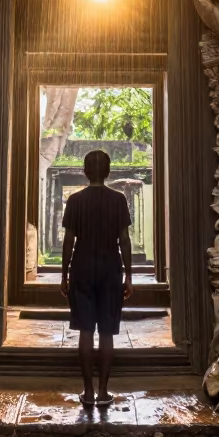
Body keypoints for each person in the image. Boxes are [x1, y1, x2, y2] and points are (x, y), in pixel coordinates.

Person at [60, 149, 133, 407]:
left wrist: (64, 275)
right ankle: (103, 392)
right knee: (107, 334)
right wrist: (129, 276)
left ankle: (87, 392)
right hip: (111, 270)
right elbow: (124, 240)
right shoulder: (119, 200)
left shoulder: (75, 201)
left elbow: (69, 241)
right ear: (109, 172)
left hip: (81, 269)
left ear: (85, 171)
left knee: (85, 331)